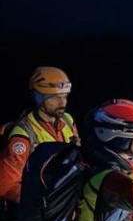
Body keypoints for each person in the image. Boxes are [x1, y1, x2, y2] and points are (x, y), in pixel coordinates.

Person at [0, 66, 80, 204]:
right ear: (38, 98)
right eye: (55, 98)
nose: (63, 103)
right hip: (43, 212)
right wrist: (42, 204)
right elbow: (6, 186)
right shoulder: (23, 136)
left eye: (65, 96)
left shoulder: (67, 120)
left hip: (67, 201)